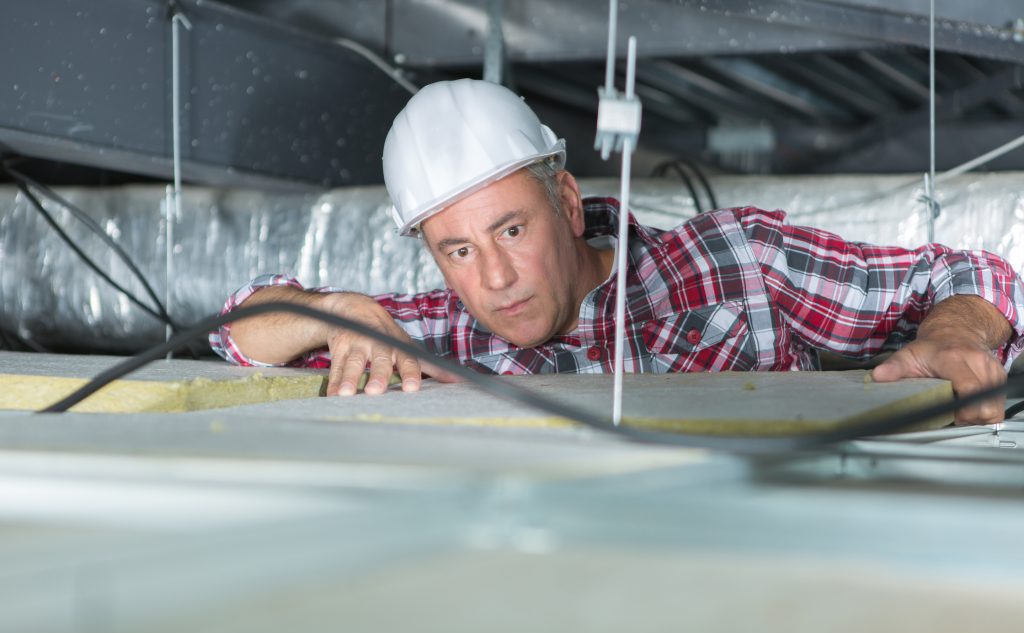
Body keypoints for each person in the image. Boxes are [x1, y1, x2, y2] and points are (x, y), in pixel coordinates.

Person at [211, 79, 1024, 425]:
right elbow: (235, 334)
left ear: (566, 202)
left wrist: (955, 336)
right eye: (456, 250)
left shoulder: (738, 265)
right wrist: (328, 313)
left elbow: (963, 276)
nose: (492, 279)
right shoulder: (433, 337)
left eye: (512, 231)